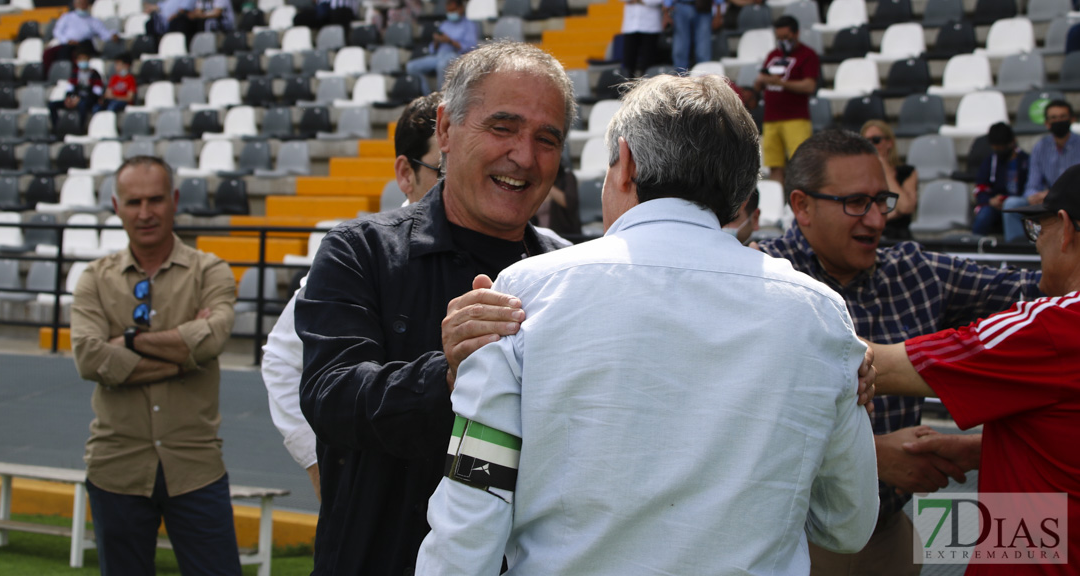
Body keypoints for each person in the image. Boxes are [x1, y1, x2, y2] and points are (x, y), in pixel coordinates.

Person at [416, 73, 879, 575]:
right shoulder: (817, 313)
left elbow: (473, 508)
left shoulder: (527, 292)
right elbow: (848, 523)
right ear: (743, 186)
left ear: (627, 162)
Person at [296, 41, 575, 576]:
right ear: (446, 129)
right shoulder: (360, 250)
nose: (524, 155)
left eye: (547, 138)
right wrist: (445, 375)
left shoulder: (569, 275)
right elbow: (329, 399)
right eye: (503, 127)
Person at [756, 129, 1042, 575]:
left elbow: (1037, 292)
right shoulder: (759, 281)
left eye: (882, 201)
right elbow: (738, 420)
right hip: (787, 541)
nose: (876, 220)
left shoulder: (913, 271)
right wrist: (869, 456)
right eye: (855, 203)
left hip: (889, 535)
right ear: (801, 206)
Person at [869, 166, 1080, 576]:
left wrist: (777, 293)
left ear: (1066, 229)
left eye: (1040, 231)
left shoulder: (1051, 325)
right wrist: (987, 448)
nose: (1039, 247)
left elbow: (881, 367)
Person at [260, 93, 445, 500]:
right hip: (386, 494)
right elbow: (280, 359)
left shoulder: (538, 251)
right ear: (405, 173)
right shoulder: (362, 255)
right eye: (443, 168)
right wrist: (317, 463)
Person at [70, 156, 240, 576]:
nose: (144, 213)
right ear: (116, 206)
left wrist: (127, 341)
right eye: (133, 202)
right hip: (116, 467)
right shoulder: (94, 278)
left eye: (155, 200)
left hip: (195, 467)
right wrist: (184, 357)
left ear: (175, 200)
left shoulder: (210, 271)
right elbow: (90, 357)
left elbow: (214, 338)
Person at [1002, 100, 1080, 242]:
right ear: (1047, 123)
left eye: (1063, 117)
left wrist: (1054, 195)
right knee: (1011, 204)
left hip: (1074, 201)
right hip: (1048, 201)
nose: (1059, 121)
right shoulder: (1040, 147)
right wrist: (1034, 196)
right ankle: (1021, 251)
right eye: (1054, 118)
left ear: (1072, 119)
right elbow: (1032, 185)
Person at [754, 15, 819, 184]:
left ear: (796, 33)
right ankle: (778, 202)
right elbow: (758, 84)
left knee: (801, 164)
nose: (782, 41)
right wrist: (761, 81)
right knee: (775, 166)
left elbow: (809, 86)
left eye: (786, 37)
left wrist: (780, 82)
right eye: (779, 38)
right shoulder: (773, 55)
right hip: (771, 119)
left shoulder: (807, 54)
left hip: (796, 118)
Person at [405, 0, 477, 94]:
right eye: (448, 11)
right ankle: (427, 94)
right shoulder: (445, 24)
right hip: (439, 55)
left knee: (442, 65)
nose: (451, 13)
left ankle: (441, 97)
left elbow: (471, 47)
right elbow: (432, 50)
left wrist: (450, 41)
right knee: (411, 66)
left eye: (453, 10)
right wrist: (436, 41)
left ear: (461, 8)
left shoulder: (469, 25)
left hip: (456, 56)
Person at [861, 120, 918, 240]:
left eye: (876, 140)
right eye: (866, 141)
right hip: (868, 232)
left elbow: (906, 207)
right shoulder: (859, 174)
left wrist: (885, 171)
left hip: (899, 235)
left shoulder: (907, 172)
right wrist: (893, 211)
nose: (872, 145)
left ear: (889, 143)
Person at [973, 122, 1030, 236]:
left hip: (1018, 205)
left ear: (1012, 142)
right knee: (985, 214)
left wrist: (1007, 199)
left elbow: (1031, 189)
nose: (1000, 151)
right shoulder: (990, 161)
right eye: (996, 148)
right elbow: (980, 188)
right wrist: (991, 200)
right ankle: (974, 247)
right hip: (995, 205)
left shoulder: (1025, 161)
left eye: (1002, 147)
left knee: (1012, 207)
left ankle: (1014, 248)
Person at [42, 0, 118, 76]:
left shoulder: (93, 20)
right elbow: (57, 32)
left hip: (83, 45)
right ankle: (48, 75)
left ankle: (71, 76)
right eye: (79, 3)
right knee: (48, 53)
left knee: (71, 53)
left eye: (84, 3)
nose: (82, 5)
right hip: (67, 43)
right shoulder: (67, 17)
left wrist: (112, 35)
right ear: (75, 4)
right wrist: (67, 40)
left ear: (88, 4)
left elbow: (103, 33)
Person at [663, 0, 723, 72]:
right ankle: (680, 80)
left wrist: (718, 14)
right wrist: (666, 12)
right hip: (680, 6)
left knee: (703, 48)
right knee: (680, 48)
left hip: (702, 7)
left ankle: (704, 79)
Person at [616, 0, 665, 77]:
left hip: (650, 27)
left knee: (648, 61)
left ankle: (647, 88)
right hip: (631, 26)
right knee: (629, 61)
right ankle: (628, 88)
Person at [48, 48, 104, 130]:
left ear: (89, 59)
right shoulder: (74, 73)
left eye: (84, 59)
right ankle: (56, 128)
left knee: (82, 104)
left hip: (89, 100)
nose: (82, 61)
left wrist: (80, 99)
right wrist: (69, 99)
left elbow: (96, 93)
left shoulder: (95, 74)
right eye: (80, 59)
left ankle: (80, 128)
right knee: (52, 104)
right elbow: (70, 89)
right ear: (77, 61)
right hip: (75, 99)